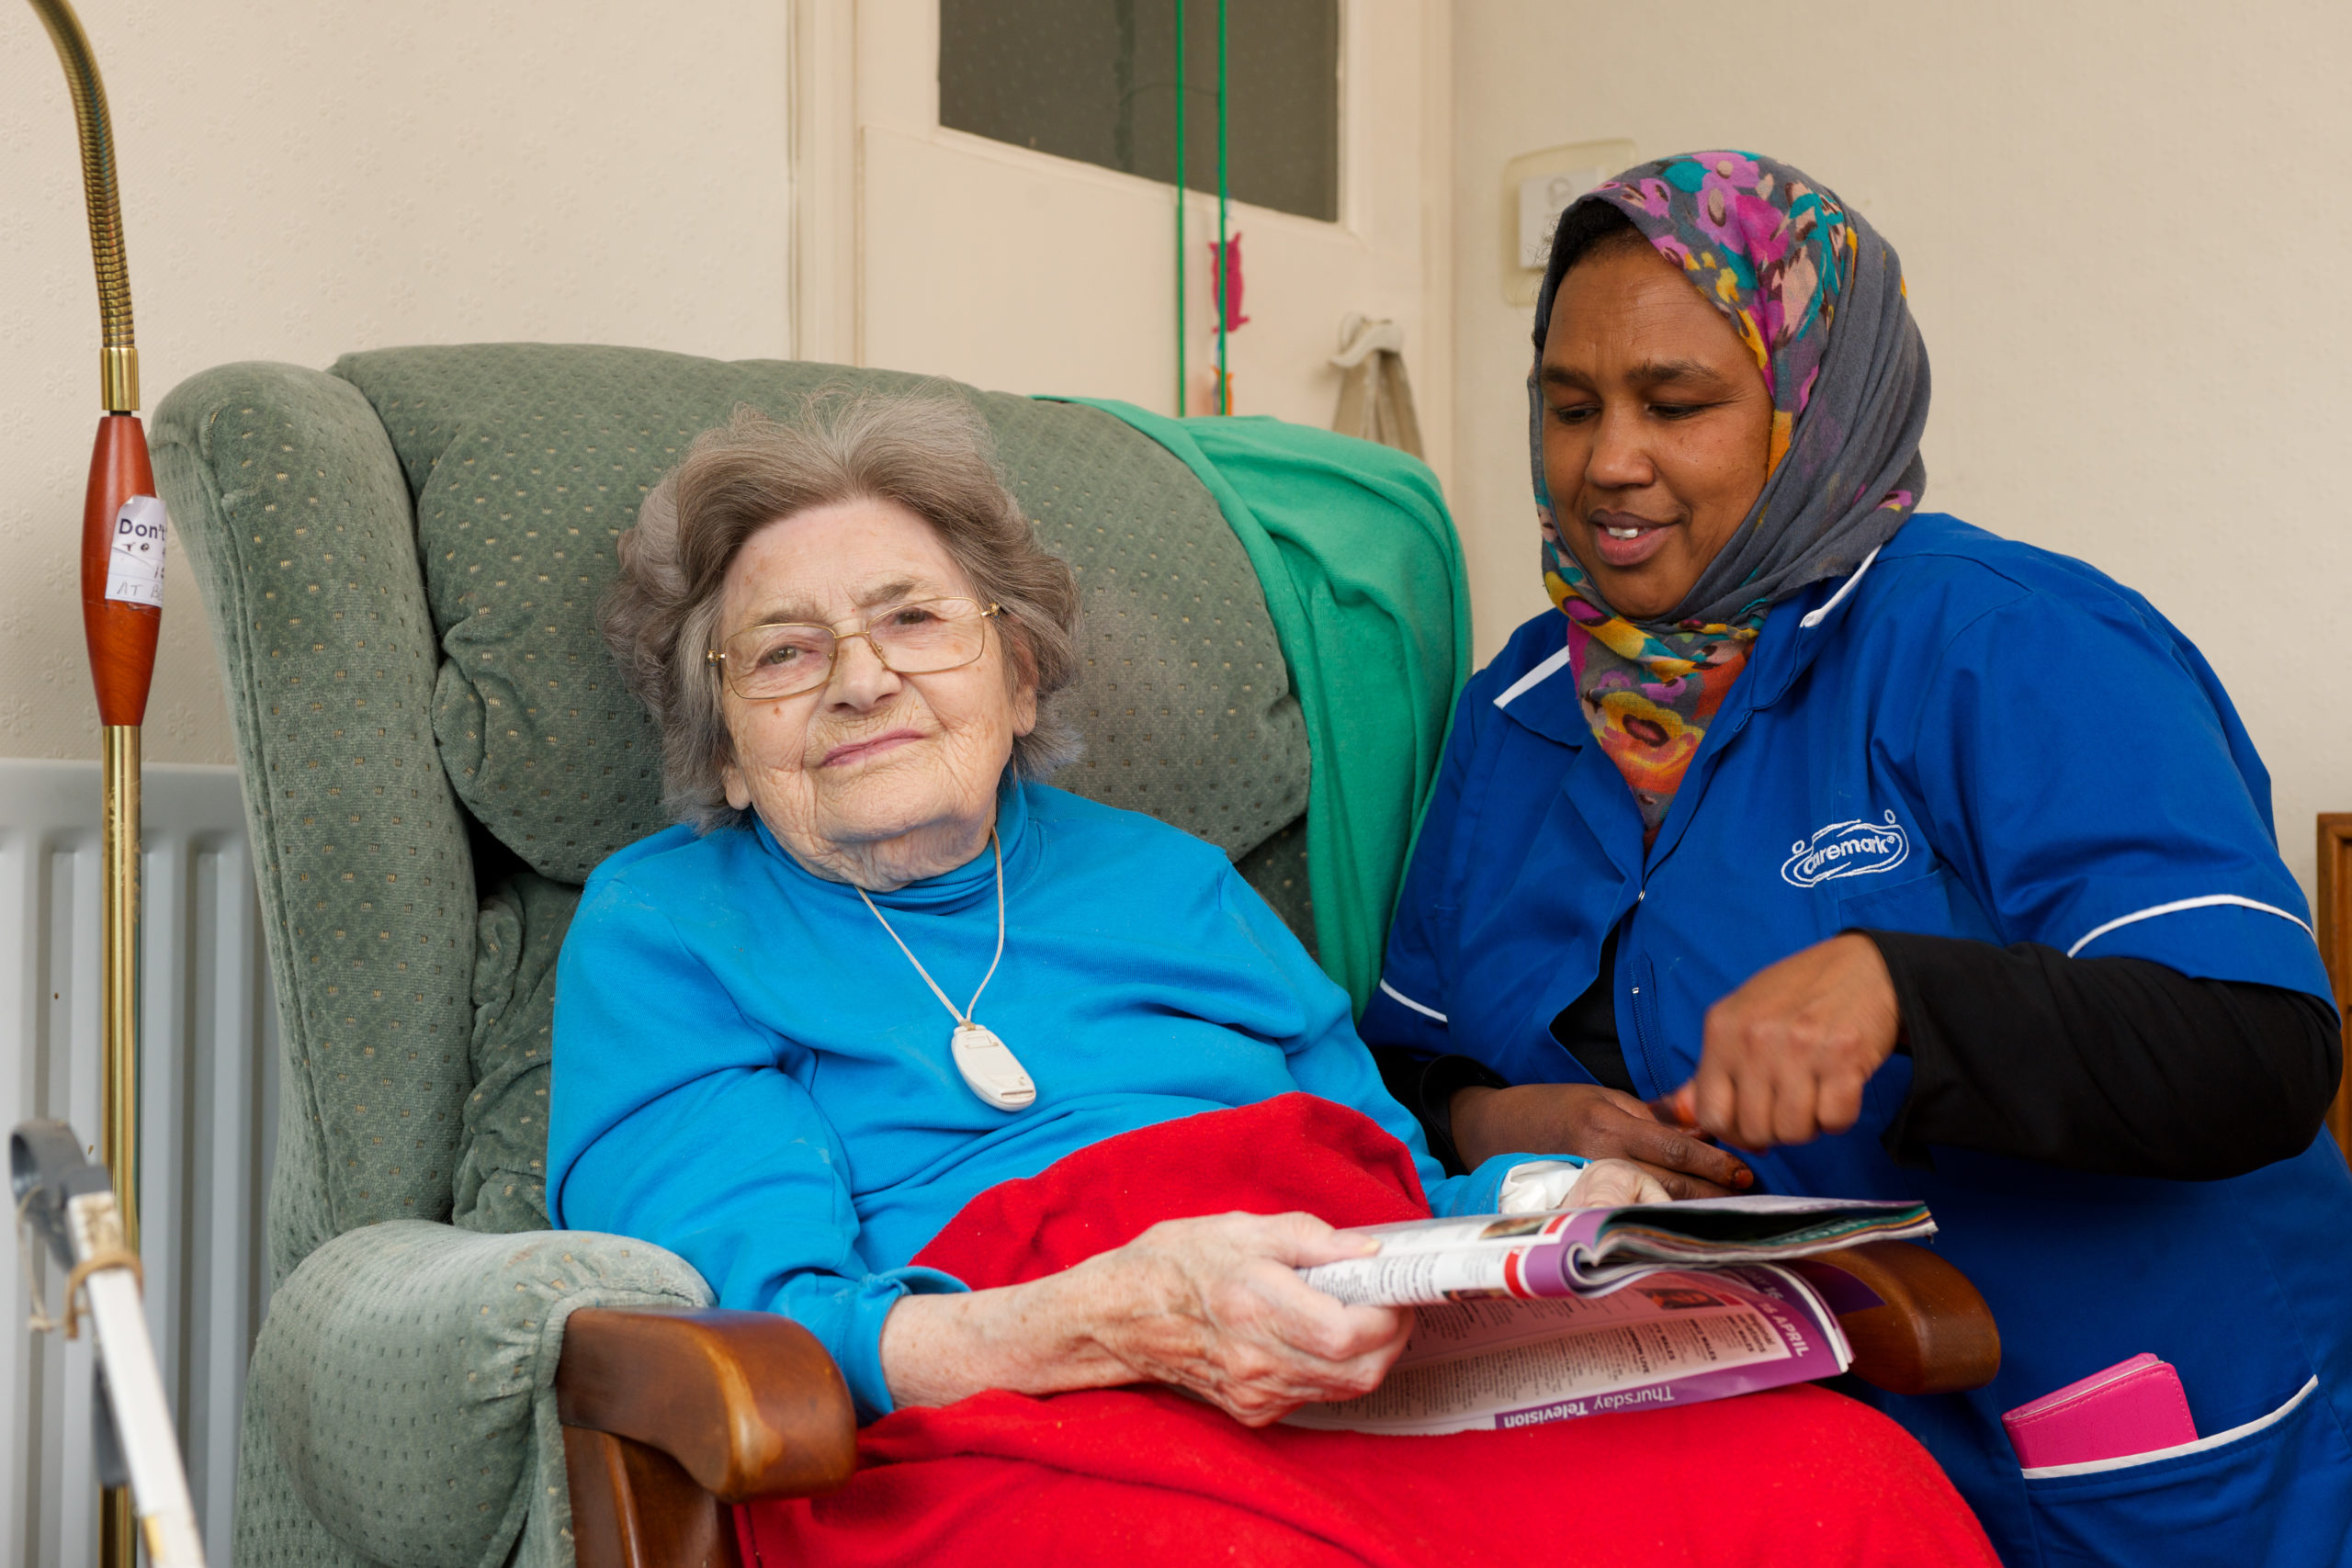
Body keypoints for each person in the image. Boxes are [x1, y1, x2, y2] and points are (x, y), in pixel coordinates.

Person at [547, 392, 1998, 1566]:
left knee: (1832, 1486)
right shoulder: (668, 926)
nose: (861, 680)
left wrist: (1558, 1227)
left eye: (913, 620)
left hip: (1365, 1369)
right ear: (726, 744)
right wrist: (1102, 1316)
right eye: (784, 656)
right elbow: (761, 1311)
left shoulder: (1169, 878)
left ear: (1023, 674)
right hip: (993, 1419)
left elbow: (1381, 1171)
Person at [1362, 151, 2352, 1567]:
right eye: (1568, 406)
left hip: (2124, 1443)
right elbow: (1396, 1067)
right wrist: (1488, 1123)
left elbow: (2258, 1052)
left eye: (1677, 403)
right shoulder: (1517, 716)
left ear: (1814, 408)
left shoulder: (2010, 642)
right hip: (1783, 1453)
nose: (1605, 463)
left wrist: (1906, 989)